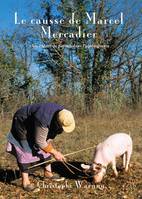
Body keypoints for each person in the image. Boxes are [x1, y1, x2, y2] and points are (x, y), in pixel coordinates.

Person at [6, 102, 75, 191]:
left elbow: (45, 141)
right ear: (57, 121)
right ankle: (25, 182)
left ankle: (48, 173)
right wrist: (55, 153)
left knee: (46, 147)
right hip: (22, 122)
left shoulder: (64, 113)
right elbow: (40, 142)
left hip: (36, 122)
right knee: (25, 149)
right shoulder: (43, 118)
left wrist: (49, 147)